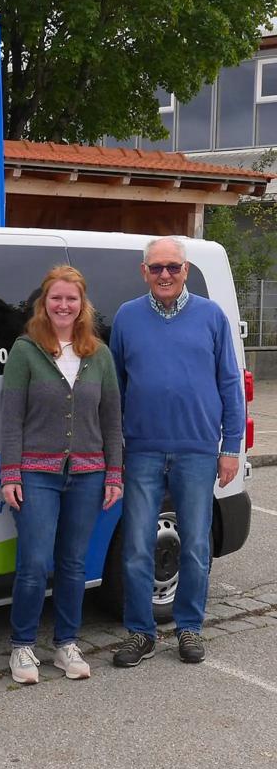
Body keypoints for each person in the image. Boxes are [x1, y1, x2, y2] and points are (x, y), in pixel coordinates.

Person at [110, 236, 245, 667]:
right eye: (156, 268)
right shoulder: (127, 317)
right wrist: (116, 446)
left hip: (197, 451)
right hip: (142, 452)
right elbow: (116, 387)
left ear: (185, 271)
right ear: (144, 272)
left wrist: (231, 447)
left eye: (173, 267)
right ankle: (140, 632)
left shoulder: (211, 316)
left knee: (195, 547)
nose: (165, 274)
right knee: (136, 546)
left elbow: (230, 383)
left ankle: (189, 627)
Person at [0, 265, 123, 685]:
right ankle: (22, 645)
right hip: (36, 473)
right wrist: (11, 472)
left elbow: (112, 421)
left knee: (73, 564)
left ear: (82, 304)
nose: (64, 305)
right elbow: (11, 418)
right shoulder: (25, 350)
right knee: (34, 564)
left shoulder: (99, 354)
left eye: (72, 298)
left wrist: (114, 473)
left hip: (89, 474)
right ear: (44, 302)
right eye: (56, 297)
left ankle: (66, 643)